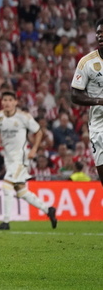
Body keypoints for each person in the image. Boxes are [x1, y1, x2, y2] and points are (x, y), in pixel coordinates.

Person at [0, 91, 57, 231]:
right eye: (4, 100)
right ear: (1, 102)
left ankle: (6, 222)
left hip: (21, 157)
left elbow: (38, 132)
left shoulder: (23, 117)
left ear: (15, 102)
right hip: (8, 158)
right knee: (21, 191)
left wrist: (34, 150)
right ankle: (48, 209)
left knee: (6, 185)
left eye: (10, 100)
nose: (7, 102)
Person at [70, 21, 103, 188]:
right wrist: (100, 101)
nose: (100, 35)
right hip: (99, 125)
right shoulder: (87, 62)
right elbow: (75, 95)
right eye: (98, 33)